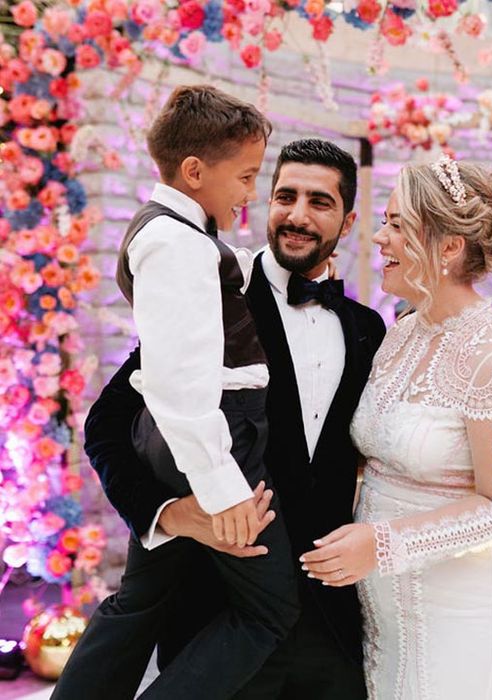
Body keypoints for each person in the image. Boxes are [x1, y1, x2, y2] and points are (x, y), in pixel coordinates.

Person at [68, 138, 386, 699]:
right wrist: (167, 514)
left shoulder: (367, 329)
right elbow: (108, 426)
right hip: (221, 620)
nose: (297, 214)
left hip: (330, 627)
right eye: (285, 195)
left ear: (347, 218)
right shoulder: (218, 298)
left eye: (320, 202)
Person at [53, 85, 301, 700]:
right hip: (216, 436)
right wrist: (223, 493)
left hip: (193, 438)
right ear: (195, 171)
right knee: (272, 609)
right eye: (245, 177)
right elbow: (178, 385)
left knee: (142, 599)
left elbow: (223, 279)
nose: (251, 193)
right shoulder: (174, 243)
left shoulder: (182, 236)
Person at [301, 155, 492, 699]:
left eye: (396, 224)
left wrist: (383, 546)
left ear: (449, 246)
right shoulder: (401, 335)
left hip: (464, 618)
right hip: (384, 618)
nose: (379, 238)